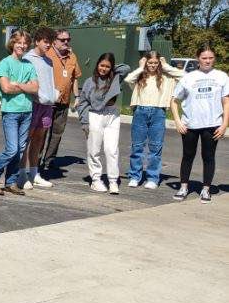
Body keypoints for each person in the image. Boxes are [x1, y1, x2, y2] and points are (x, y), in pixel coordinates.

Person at [170, 45, 229, 203]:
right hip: (190, 125)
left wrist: (224, 124)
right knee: (188, 156)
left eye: (210, 58)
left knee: (208, 157)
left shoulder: (222, 77)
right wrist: (177, 121)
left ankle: (206, 190)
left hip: (212, 125)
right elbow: (174, 100)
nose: (207, 61)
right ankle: (183, 187)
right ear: (198, 59)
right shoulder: (188, 77)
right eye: (204, 58)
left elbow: (226, 101)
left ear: (214, 58)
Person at [0, 30, 38, 196]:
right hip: (11, 112)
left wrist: (19, 85)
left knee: (21, 150)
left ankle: (10, 182)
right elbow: (6, 88)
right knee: (12, 149)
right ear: (12, 44)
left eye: (25, 43)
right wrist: (25, 86)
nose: (22, 45)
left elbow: (35, 88)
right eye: (19, 42)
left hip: (27, 111)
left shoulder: (29, 65)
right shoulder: (4, 64)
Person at [124, 51, 184, 189]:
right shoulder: (140, 77)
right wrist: (140, 67)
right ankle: (135, 176)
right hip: (140, 111)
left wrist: (166, 65)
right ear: (145, 63)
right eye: (150, 62)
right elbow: (128, 79)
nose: (152, 65)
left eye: (155, 63)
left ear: (159, 63)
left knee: (155, 147)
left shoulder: (167, 78)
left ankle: (152, 178)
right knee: (137, 146)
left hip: (159, 112)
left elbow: (183, 75)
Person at [76, 52, 130, 194]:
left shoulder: (116, 78)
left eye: (107, 66)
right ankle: (96, 180)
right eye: (101, 65)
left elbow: (126, 68)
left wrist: (113, 69)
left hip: (112, 115)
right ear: (97, 65)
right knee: (94, 149)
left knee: (111, 150)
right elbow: (82, 103)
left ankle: (113, 181)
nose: (104, 69)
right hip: (95, 116)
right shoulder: (89, 82)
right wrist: (84, 122)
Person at [21, 27, 60, 189]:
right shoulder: (27, 58)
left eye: (50, 42)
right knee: (26, 140)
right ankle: (22, 175)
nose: (48, 45)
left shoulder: (49, 61)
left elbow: (49, 82)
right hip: (33, 105)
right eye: (45, 42)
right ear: (37, 41)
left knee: (39, 139)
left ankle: (34, 173)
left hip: (47, 106)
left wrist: (54, 94)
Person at [40, 28, 81, 171]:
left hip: (63, 103)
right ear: (54, 41)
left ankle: (49, 161)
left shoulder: (72, 57)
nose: (66, 42)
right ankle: (36, 159)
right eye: (62, 40)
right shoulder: (47, 54)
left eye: (68, 40)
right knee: (43, 131)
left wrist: (77, 96)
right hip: (47, 103)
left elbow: (74, 77)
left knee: (57, 133)